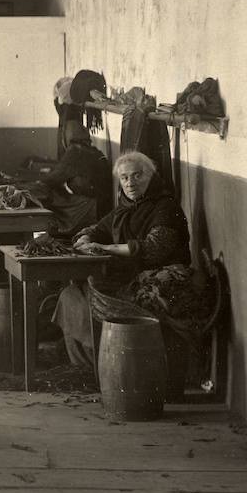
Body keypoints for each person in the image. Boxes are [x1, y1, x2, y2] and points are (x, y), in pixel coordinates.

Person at [55, 151, 198, 374]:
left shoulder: (165, 206)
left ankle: (115, 365)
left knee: (92, 295)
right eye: (124, 178)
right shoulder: (126, 206)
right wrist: (85, 237)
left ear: (151, 176)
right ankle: (94, 364)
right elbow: (99, 228)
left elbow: (154, 248)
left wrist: (105, 248)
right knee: (71, 295)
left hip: (159, 276)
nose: (130, 183)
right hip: (130, 274)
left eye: (137, 175)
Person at [37, 119, 113, 237]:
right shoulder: (94, 151)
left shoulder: (75, 151)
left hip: (89, 207)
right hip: (100, 206)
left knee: (46, 194)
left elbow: (53, 179)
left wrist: (35, 181)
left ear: (66, 137)